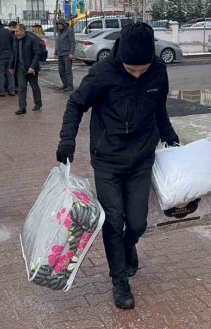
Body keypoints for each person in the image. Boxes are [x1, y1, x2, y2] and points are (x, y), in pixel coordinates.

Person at [57, 22, 179, 310]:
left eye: (143, 68)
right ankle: (119, 279)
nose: (138, 73)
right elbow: (75, 105)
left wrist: (169, 134)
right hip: (107, 159)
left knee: (136, 222)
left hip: (141, 158)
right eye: (131, 69)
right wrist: (67, 141)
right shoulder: (103, 73)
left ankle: (128, 245)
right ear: (121, 58)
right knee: (114, 220)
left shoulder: (159, 72)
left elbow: (159, 107)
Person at [9, 24, 42, 114]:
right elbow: (14, 54)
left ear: (23, 31)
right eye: (15, 31)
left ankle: (38, 104)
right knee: (21, 87)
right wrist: (11, 66)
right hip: (20, 68)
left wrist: (32, 67)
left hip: (31, 68)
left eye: (17, 31)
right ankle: (22, 107)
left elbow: (37, 54)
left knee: (34, 86)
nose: (15, 33)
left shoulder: (32, 39)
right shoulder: (15, 40)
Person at [54, 18, 75, 91]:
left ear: (63, 24)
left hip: (67, 54)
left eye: (60, 24)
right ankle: (65, 84)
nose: (58, 26)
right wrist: (55, 52)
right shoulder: (59, 32)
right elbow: (58, 42)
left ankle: (70, 86)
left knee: (68, 70)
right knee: (61, 70)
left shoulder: (69, 31)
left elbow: (72, 42)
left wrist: (71, 53)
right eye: (57, 24)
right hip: (60, 54)